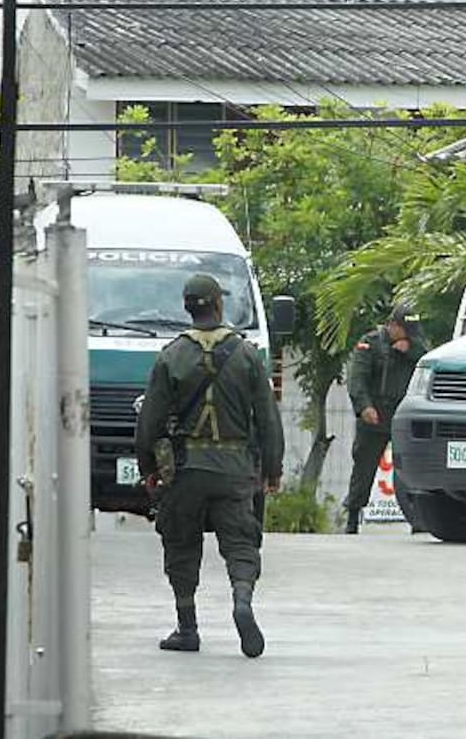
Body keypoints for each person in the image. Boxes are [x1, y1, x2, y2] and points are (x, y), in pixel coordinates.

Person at [135, 274, 284, 659]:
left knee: (181, 544)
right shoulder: (247, 354)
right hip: (235, 468)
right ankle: (242, 601)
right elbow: (267, 417)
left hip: (185, 470)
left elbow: (149, 421)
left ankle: (187, 627)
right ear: (218, 305)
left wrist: (148, 465)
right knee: (241, 543)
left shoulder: (171, 355)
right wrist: (272, 467)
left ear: (187, 307)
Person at [346, 303, 429, 534]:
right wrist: (364, 407)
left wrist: (410, 349)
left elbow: (429, 359)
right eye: (405, 330)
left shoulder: (416, 343)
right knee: (364, 468)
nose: (409, 334)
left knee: (409, 470)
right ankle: (353, 516)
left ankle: (418, 519)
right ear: (393, 325)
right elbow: (357, 379)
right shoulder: (370, 343)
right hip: (375, 416)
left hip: (402, 417)